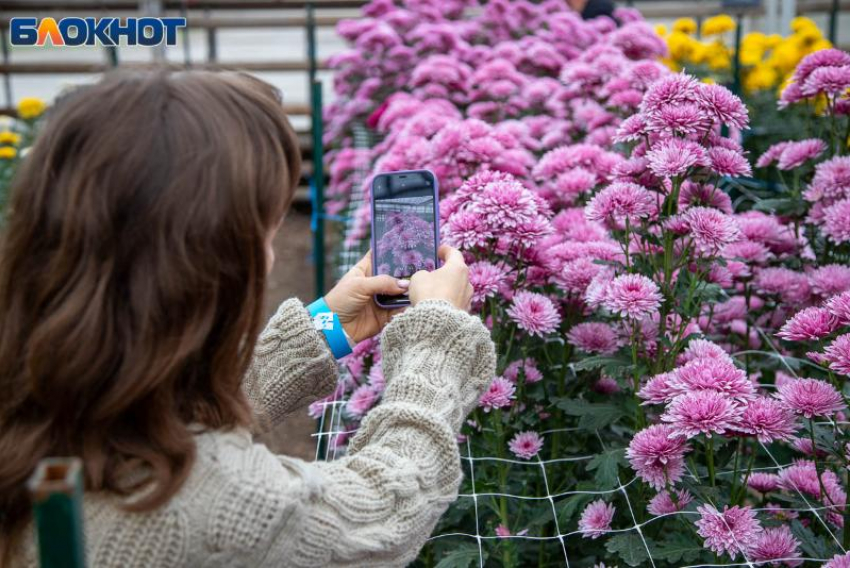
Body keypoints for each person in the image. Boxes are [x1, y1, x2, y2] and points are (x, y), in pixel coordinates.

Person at [0, 71, 496, 567]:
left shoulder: (37, 401)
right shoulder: (219, 499)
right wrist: (437, 341)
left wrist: (327, 326)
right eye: (265, 234)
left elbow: (168, 414)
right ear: (204, 264)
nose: (271, 259)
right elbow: (380, 516)